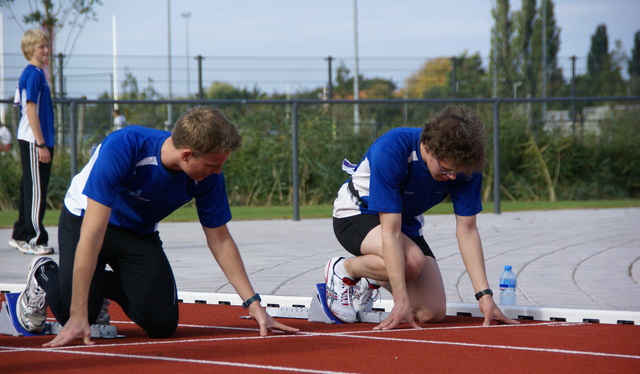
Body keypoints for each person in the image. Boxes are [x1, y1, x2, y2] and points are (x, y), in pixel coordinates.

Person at [16, 106, 299, 347]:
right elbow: (92, 235)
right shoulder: (124, 147)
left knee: (162, 324)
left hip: (138, 232)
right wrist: (78, 315)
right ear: (187, 154)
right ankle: (45, 273)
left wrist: (254, 304)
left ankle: (97, 287)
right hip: (85, 219)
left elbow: (221, 240)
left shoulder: (208, 177)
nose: (218, 172)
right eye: (213, 165)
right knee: (75, 313)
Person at [324, 105, 518, 329]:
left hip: (403, 223)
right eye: (446, 169)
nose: (452, 177)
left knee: (431, 313)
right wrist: (401, 300)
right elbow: (390, 231)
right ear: (429, 148)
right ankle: (344, 269)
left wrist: (485, 297)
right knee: (411, 262)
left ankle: (371, 276)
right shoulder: (393, 148)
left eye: (457, 172)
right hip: (357, 214)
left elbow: (467, 230)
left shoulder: (463, 168)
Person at [9, 29, 55, 256]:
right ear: (30, 50)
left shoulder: (35, 73)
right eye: (41, 47)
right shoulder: (34, 74)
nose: (46, 50)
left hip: (32, 139)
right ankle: (34, 238)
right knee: (37, 190)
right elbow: (29, 108)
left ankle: (20, 234)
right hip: (34, 140)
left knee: (29, 188)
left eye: (47, 46)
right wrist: (40, 144)